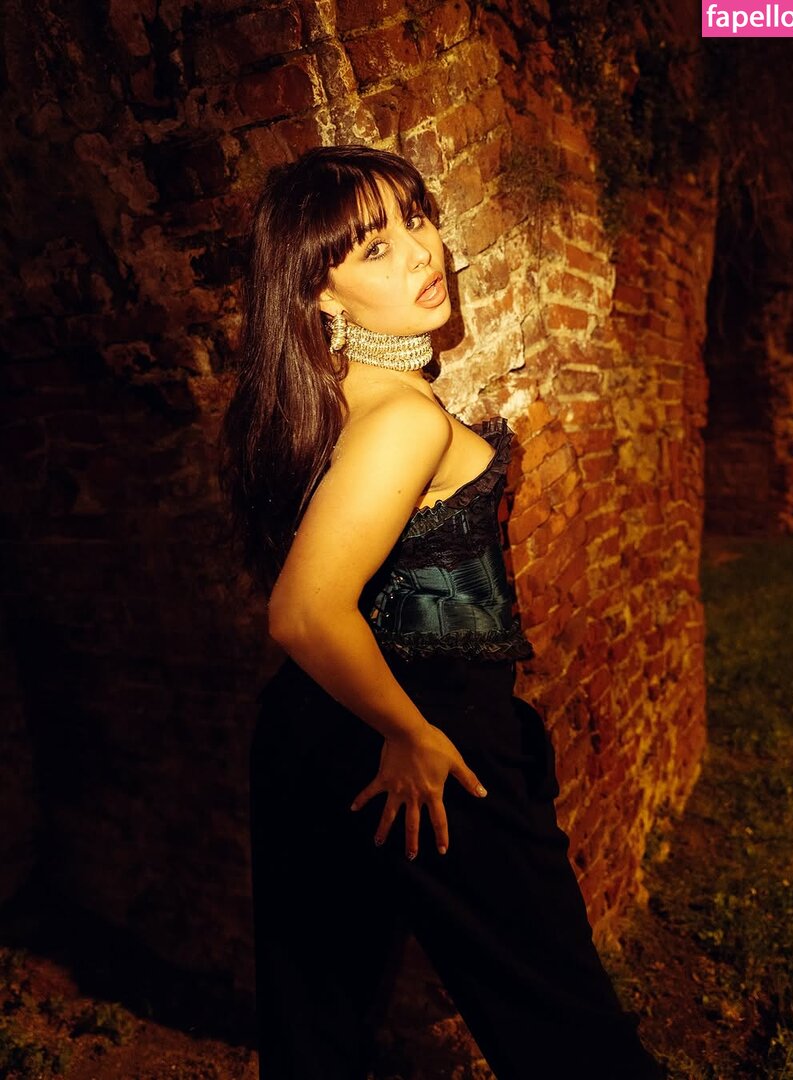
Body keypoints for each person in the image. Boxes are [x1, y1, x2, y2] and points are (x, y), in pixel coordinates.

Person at [221, 144, 665, 1080]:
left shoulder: (324, 404)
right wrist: (410, 732)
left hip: (313, 729)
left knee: (318, 1027)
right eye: (374, 248)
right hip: (430, 742)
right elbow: (303, 611)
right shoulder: (404, 420)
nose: (423, 251)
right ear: (322, 294)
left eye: (415, 218)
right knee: (563, 1023)